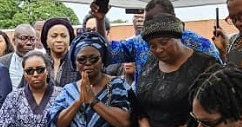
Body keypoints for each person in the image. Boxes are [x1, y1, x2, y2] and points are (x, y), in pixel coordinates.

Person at [90, 0, 221, 89]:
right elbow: (107, 52)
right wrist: (100, 20)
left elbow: (218, 79)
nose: (150, 26)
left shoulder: (201, 44)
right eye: (148, 22)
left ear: (172, 19)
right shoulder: (139, 42)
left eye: (156, 21)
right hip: (145, 119)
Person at [41, 18, 79, 87]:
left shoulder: (78, 62)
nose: (59, 40)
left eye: (63, 36)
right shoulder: (38, 61)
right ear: (46, 40)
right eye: (54, 36)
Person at [0, 24, 36, 89]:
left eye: (32, 39)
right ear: (14, 41)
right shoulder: (0, 63)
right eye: (23, 38)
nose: (29, 43)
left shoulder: (43, 63)